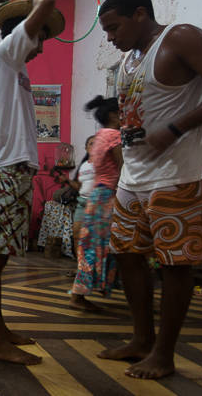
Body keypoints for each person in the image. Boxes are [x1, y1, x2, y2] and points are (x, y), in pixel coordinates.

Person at [96, 0, 202, 379]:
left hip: (179, 174)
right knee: (128, 255)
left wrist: (177, 128)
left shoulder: (180, 37)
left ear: (141, 14)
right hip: (134, 176)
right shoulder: (130, 60)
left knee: (175, 263)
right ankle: (142, 339)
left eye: (114, 27)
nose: (110, 38)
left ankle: (164, 354)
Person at [0, 0, 65, 365]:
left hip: (15, 170)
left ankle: (0, 330)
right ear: (23, 31)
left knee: (0, 256)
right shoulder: (5, 55)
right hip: (8, 171)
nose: (42, 47)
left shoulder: (15, 68)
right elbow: (45, 2)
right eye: (40, 36)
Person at [69, 97, 122, 311]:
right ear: (113, 115)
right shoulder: (114, 136)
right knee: (101, 246)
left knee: (91, 245)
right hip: (108, 196)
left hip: (96, 196)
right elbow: (123, 167)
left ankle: (83, 290)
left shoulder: (100, 136)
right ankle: (79, 293)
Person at [70, 136, 97, 252]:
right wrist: (66, 181)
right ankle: (80, 266)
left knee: (95, 237)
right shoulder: (83, 165)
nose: (94, 146)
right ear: (86, 148)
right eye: (91, 143)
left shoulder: (105, 164)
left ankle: (95, 267)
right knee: (77, 235)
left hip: (97, 204)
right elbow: (79, 186)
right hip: (82, 203)